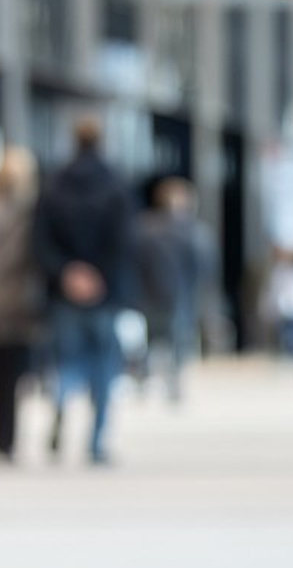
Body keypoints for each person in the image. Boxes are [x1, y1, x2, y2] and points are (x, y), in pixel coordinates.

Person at [33, 115, 132, 465]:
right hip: (105, 293)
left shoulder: (54, 184)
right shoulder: (115, 184)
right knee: (104, 365)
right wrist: (97, 275)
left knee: (66, 359)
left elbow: (41, 239)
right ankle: (95, 442)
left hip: (63, 292)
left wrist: (67, 273)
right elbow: (122, 242)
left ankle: (60, 403)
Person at [132, 176, 209, 402]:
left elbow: (132, 263)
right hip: (180, 297)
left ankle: (144, 380)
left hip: (147, 296)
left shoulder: (142, 228)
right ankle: (174, 383)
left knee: (149, 341)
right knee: (178, 343)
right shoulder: (195, 232)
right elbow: (204, 269)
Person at [0, 145, 41, 462]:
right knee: (12, 379)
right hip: (16, 306)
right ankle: (7, 440)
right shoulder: (31, 213)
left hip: (14, 305)